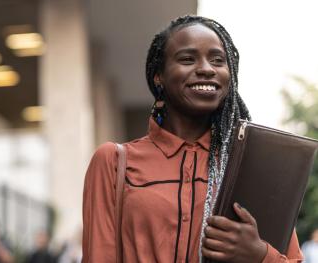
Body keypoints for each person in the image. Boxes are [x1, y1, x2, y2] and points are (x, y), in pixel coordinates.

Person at [82, 15, 304, 262]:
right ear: (159, 76)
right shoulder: (114, 162)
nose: (207, 69)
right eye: (187, 59)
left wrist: (259, 255)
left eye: (218, 60)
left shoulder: (250, 170)